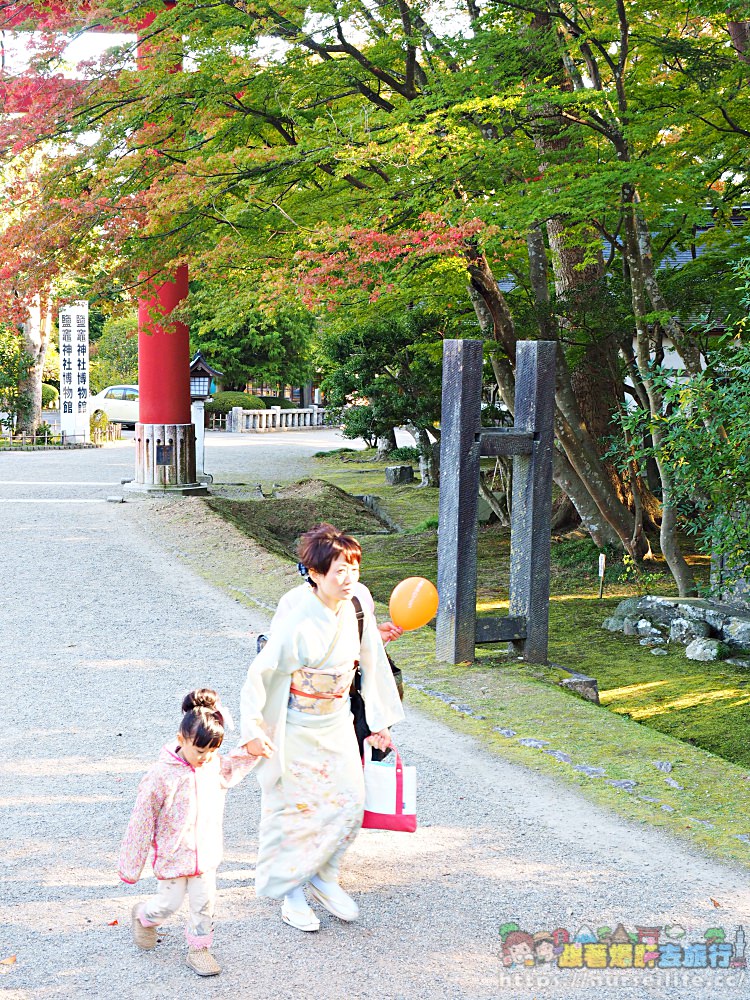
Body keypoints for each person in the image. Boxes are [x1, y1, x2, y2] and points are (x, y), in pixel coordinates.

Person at [239, 523, 404, 933]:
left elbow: (371, 660)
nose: (348, 580)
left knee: (349, 800)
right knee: (298, 808)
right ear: (314, 573)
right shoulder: (295, 610)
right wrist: (254, 727)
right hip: (296, 722)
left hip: (337, 718)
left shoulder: (358, 600)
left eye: (354, 569)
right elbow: (263, 671)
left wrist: (376, 723)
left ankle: (324, 876)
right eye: (339, 572)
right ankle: (292, 892)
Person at [118, 689, 257, 977]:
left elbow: (231, 766)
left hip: (205, 853)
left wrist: (253, 750)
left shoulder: (212, 764)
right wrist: (131, 866)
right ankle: (145, 917)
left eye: (212, 752)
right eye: (200, 751)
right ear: (182, 741)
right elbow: (141, 822)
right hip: (173, 854)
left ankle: (199, 949)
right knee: (168, 903)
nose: (206, 758)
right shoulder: (161, 776)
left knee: (204, 903)